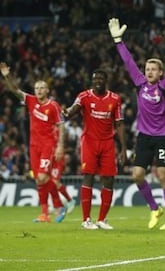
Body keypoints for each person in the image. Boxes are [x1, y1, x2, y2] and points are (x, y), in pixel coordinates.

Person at [108, 17, 165, 230]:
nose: (149, 71)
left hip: (163, 137)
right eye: (147, 69)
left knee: (163, 175)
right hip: (144, 136)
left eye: (153, 69)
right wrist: (118, 40)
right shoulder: (140, 85)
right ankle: (155, 208)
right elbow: (128, 62)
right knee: (137, 175)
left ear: (160, 73)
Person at [0, 62, 67, 223]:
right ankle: (45, 213)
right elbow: (14, 90)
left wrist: (60, 146)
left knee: (44, 176)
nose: (38, 90)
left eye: (42, 88)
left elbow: (61, 126)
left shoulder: (53, 106)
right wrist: (7, 76)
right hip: (33, 146)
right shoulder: (30, 100)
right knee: (39, 179)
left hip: (48, 145)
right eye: (36, 88)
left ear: (47, 90)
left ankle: (58, 205)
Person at [63, 69, 126, 230]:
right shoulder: (84, 96)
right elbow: (73, 109)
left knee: (109, 180)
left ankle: (102, 220)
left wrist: (124, 148)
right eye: (95, 78)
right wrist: (67, 112)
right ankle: (86, 220)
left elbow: (119, 123)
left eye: (100, 78)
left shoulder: (115, 99)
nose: (97, 81)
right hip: (89, 142)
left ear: (106, 81)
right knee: (88, 177)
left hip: (107, 143)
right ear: (92, 81)